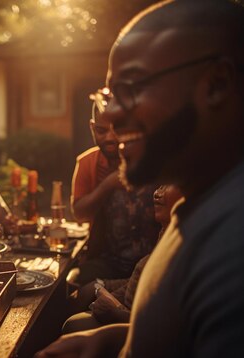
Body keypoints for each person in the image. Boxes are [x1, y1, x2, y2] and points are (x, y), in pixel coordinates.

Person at [37, 1, 244, 357]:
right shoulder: (201, 209)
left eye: (131, 87)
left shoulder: (232, 245)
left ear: (216, 85)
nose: (113, 116)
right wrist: (114, 340)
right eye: (109, 95)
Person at [63, 185, 183, 333]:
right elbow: (137, 281)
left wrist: (118, 313)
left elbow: (165, 324)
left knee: (73, 325)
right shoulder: (166, 231)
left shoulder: (183, 248)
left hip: (133, 326)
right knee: (77, 296)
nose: (157, 193)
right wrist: (101, 286)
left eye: (168, 185)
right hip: (124, 307)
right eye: (160, 186)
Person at [69, 99, 161, 285]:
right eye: (102, 131)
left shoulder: (152, 158)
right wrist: (107, 185)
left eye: (116, 130)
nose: (110, 138)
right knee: (71, 280)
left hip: (154, 259)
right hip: (110, 261)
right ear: (92, 128)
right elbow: (79, 214)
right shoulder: (88, 162)